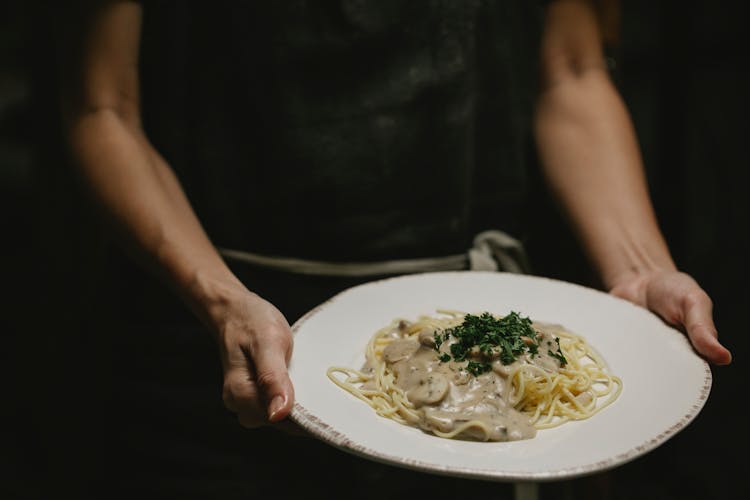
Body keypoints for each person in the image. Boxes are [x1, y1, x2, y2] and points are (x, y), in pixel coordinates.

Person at [54, 0, 732, 498]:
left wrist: (641, 272)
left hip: (480, 367)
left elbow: (572, 70)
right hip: (209, 340)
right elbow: (100, 106)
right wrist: (222, 302)